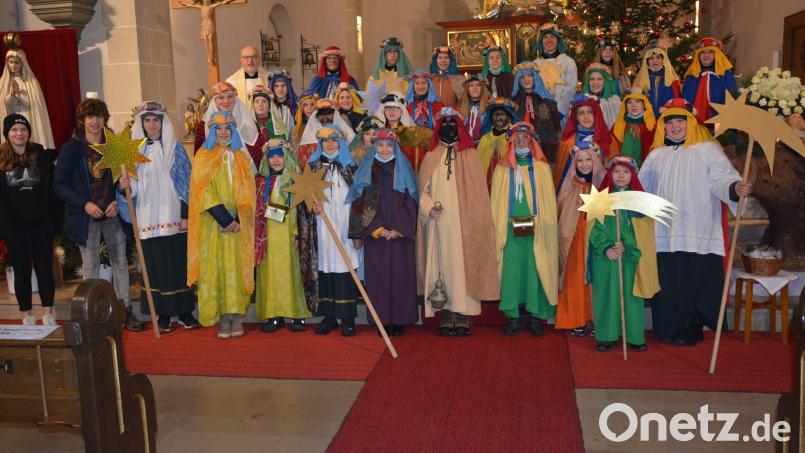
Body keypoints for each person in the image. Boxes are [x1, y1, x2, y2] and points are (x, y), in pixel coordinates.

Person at [639, 98, 750, 346]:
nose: (675, 126)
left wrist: (735, 188)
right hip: (665, 230)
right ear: (663, 127)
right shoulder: (656, 155)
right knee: (668, 279)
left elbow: (723, 181)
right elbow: (642, 187)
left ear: (690, 122)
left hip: (696, 225)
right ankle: (667, 326)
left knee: (693, 278)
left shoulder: (708, 150)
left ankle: (691, 328)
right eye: (670, 122)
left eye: (680, 121)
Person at [53, 98, 143, 331]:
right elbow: (59, 185)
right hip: (86, 215)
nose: (95, 121)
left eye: (99, 116)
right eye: (90, 117)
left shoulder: (115, 145)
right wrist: (84, 204)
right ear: (82, 120)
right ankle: (92, 313)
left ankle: (124, 310)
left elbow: (125, 180)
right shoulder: (71, 149)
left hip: (112, 212)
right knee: (91, 265)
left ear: (105, 119)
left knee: (120, 263)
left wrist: (118, 197)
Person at [117, 101, 199, 333]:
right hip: (147, 217)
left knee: (177, 265)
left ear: (163, 122)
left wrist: (184, 214)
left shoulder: (175, 149)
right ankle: (161, 313)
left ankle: (184, 312)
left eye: (156, 120)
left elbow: (187, 185)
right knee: (154, 267)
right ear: (141, 124)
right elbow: (130, 188)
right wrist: (124, 186)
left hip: (173, 216)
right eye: (147, 120)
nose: (152, 125)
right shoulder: (133, 152)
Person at [417, 107, 499, 336]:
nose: (449, 129)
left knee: (463, 265)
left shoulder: (470, 155)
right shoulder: (431, 156)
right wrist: (428, 207)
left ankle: (462, 312)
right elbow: (422, 190)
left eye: (453, 125)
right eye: (444, 125)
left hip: (465, 224)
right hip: (438, 223)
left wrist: (474, 219)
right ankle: (446, 313)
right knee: (441, 265)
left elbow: (478, 194)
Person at [187, 111, 256, 339]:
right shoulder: (203, 156)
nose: (223, 132)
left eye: (227, 128)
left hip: (238, 224)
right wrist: (224, 218)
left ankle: (235, 314)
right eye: (218, 128)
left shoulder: (241, 157)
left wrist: (237, 218)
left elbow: (248, 190)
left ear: (233, 131)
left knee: (234, 269)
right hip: (213, 224)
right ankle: (221, 316)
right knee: (215, 268)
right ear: (212, 131)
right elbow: (202, 189)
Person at [347, 128, 418, 335]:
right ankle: (382, 320)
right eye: (380, 145)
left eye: (389, 145)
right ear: (374, 146)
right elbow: (359, 202)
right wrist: (375, 228)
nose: (385, 149)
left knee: (401, 277)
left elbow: (411, 200)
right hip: (375, 235)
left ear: (394, 147)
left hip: (400, 236)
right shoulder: (366, 169)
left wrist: (399, 229)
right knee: (378, 279)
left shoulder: (404, 168)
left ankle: (399, 320)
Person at [489, 122, 558, 336]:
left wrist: (544, 224)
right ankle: (513, 316)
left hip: (536, 230)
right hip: (509, 230)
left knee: (535, 269)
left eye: (525, 138)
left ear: (532, 141)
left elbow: (548, 202)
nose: (521, 141)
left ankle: (535, 314)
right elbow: (496, 203)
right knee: (512, 272)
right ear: (511, 141)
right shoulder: (502, 169)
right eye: (517, 138)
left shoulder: (542, 168)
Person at [589, 155, 659, 352]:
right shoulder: (601, 199)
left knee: (632, 295)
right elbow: (594, 229)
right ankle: (606, 335)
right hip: (606, 258)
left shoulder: (640, 202)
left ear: (632, 175)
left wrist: (627, 245)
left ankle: (634, 336)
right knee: (606, 295)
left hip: (629, 257)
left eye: (626, 172)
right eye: (616, 171)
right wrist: (606, 247)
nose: (620, 176)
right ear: (610, 174)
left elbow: (644, 232)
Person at [0, 114, 60, 325]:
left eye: (23, 129)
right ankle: (26, 315)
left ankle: (48, 312)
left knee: (45, 269)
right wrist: (5, 227)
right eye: (14, 130)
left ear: (29, 133)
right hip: (15, 227)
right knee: (22, 272)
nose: (19, 133)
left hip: (40, 225)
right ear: (7, 133)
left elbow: (53, 188)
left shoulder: (41, 157)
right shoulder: (0, 160)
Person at [303, 125, 361, 336]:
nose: (329, 144)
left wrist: (356, 231)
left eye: (333, 140)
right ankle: (329, 316)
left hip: (344, 226)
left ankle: (348, 317)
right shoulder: (312, 166)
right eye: (325, 141)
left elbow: (359, 200)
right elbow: (303, 196)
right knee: (325, 268)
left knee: (345, 268)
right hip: (322, 228)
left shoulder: (351, 166)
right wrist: (312, 205)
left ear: (341, 142)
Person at [254, 143, 311, 332]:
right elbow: (257, 211)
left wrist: (300, 235)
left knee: (293, 274)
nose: (276, 160)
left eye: (280, 156)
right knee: (270, 276)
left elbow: (304, 211)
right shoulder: (261, 181)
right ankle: (274, 314)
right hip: (268, 237)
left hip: (291, 237)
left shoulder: (297, 181)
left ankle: (297, 314)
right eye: (272, 157)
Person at [555, 140, 606, 336]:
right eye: (579, 161)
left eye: (588, 160)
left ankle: (595, 317)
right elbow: (562, 213)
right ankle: (576, 317)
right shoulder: (569, 186)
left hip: (595, 240)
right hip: (574, 240)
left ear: (596, 161)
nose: (584, 164)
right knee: (575, 277)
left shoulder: (602, 187)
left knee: (596, 277)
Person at [0, 47, 54, 148]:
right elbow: (3, 106)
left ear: (22, 64)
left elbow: (31, 105)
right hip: (11, 120)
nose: (13, 65)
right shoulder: (3, 83)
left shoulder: (31, 82)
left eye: (17, 62)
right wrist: (11, 95)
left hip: (27, 118)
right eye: (10, 62)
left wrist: (18, 93)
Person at [554, 93, 611, 188]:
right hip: (573, 190)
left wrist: (599, 152)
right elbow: (562, 171)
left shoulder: (605, 138)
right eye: (581, 113)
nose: (586, 117)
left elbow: (609, 167)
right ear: (576, 116)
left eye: (590, 112)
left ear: (596, 114)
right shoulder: (568, 141)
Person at [193, 82, 259, 161]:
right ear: (215, 101)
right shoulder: (203, 125)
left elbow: (258, 151)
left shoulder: (248, 121)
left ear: (235, 98)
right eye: (221, 98)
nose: (226, 101)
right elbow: (199, 156)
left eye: (230, 97)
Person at [510, 62, 561, 162]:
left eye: (529, 75)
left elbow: (556, 131)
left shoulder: (549, 102)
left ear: (535, 78)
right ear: (518, 81)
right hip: (519, 150)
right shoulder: (512, 102)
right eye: (522, 77)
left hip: (544, 151)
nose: (526, 79)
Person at [681, 37, 738, 125]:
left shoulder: (725, 74)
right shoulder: (692, 76)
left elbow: (733, 97)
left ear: (717, 54)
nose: (706, 55)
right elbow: (685, 100)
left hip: (720, 122)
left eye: (710, 52)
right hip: (697, 122)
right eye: (703, 52)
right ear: (698, 55)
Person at [533, 22, 578, 127]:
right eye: (546, 37)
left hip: (562, 114)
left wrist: (560, 112)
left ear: (558, 40)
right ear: (541, 41)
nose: (549, 40)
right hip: (540, 115)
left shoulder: (568, 62)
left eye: (552, 37)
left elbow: (570, 89)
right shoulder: (535, 64)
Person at [374, 92, 429, 172]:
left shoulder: (412, 131)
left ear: (402, 111)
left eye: (396, 108)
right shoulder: (377, 130)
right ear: (384, 111)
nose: (392, 111)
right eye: (388, 108)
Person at [297, 98, 355, 168]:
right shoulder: (308, 139)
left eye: (328, 114)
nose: (325, 119)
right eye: (321, 115)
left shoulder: (347, 135)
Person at [477, 97, 519, 187]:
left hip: (507, 184)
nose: (498, 118)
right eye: (495, 114)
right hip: (486, 185)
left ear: (509, 117)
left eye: (502, 114)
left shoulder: (515, 138)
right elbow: (478, 165)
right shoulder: (485, 139)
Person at [608, 88, 656, 166]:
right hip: (623, 169)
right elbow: (611, 145)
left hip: (644, 169)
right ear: (625, 106)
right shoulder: (619, 124)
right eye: (630, 102)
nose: (634, 105)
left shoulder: (651, 124)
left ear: (644, 105)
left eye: (638, 101)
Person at [633, 42, 681, 115]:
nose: (655, 61)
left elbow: (676, 100)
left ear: (663, 59)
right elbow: (636, 100)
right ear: (647, 61)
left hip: (667, 116)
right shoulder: (640, 79)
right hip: (647, 116)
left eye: (658, 57)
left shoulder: (672, 78)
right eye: (651, 58)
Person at [582, 63, 621, 129]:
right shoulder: (582, 100)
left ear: (605, 81)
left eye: (599, 79)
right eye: (592, 79)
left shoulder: (614, 100)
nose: (595, 83)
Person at [457, 74, 490, 144]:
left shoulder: (490, 108)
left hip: (484, 145)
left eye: (478, 85)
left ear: (483, 88)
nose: (475, 88)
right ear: (467, 89)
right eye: (471, 85)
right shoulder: (459, 108)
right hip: (465, 146)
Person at [267, 69, 298, 134]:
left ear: (288, 87)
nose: (280, 89)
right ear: (272, 88)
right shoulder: (268, 106)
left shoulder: (296, 105)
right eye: (276, 86)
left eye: (283, 85)